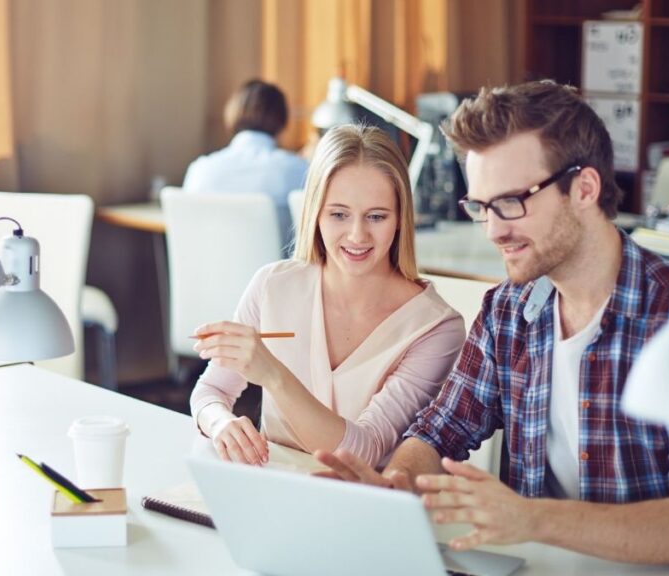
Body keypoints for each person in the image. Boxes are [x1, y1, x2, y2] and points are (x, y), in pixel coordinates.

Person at [316, 81, 669, 570]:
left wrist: (532, 519)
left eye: (510, 202)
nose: (492, 230)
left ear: (584, 189)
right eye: (481, 207)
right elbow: (438, 431)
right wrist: (395, 483)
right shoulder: (508, 313)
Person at [189, 124, 466, 468]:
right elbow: (210, 392)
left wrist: (273, 374)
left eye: (377, 217)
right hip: (277, 492)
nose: (357, 235)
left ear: (400, 220)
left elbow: (362, 452)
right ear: (315, 214)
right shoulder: (272, 285)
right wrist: (221, 424)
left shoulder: (437, 328)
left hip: (368, 508)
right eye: (338, 214)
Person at [183, 79, 309, 252]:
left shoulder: (199, 169)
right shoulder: (297, 169)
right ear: (282, 120)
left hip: (203, 277)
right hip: (272, 277)